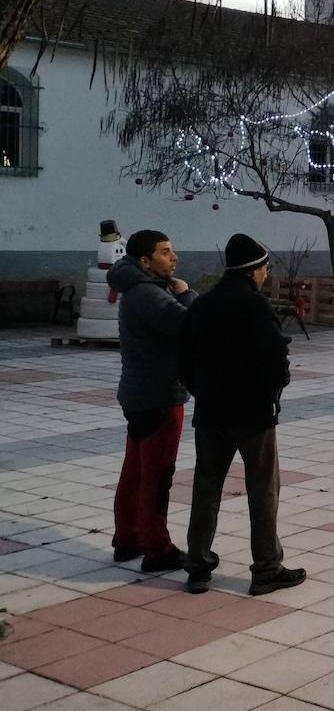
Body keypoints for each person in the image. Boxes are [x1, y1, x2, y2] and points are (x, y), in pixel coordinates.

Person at [180, 234, 306, 596]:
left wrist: (203, 391)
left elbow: (183, 362)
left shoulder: (200, 306)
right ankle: (266, 567)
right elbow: (275, 362)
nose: (267, 275)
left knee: (206, 489)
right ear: (254, 271)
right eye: (266, 268)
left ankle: (198, 566)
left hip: (210, 414)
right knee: (262, 490)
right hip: (253, 416)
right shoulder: (256, 307)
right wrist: (273, 388)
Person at [109, 228, 197, 572]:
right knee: (157, 475)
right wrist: (187, 294)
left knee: (135, 469)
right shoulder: (147, 292)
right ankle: (156, 547)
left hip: (140, 392)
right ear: (145, 260)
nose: (173, 257)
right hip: (159, 394)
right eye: (165, 252)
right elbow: (186, 324)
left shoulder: (137, 287)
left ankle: (127, 537)